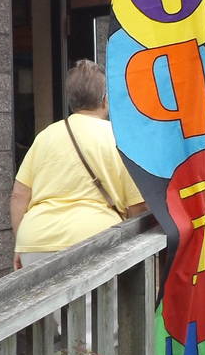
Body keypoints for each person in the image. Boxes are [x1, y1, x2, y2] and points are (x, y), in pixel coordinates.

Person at [11, 60, 145, 268]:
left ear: (71, 101)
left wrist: (21, 243)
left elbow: (19, 196)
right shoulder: (118, 138)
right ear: (105, 99)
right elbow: (138, 205)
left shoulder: (45, 136)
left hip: (36, 241)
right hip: (96, 238)